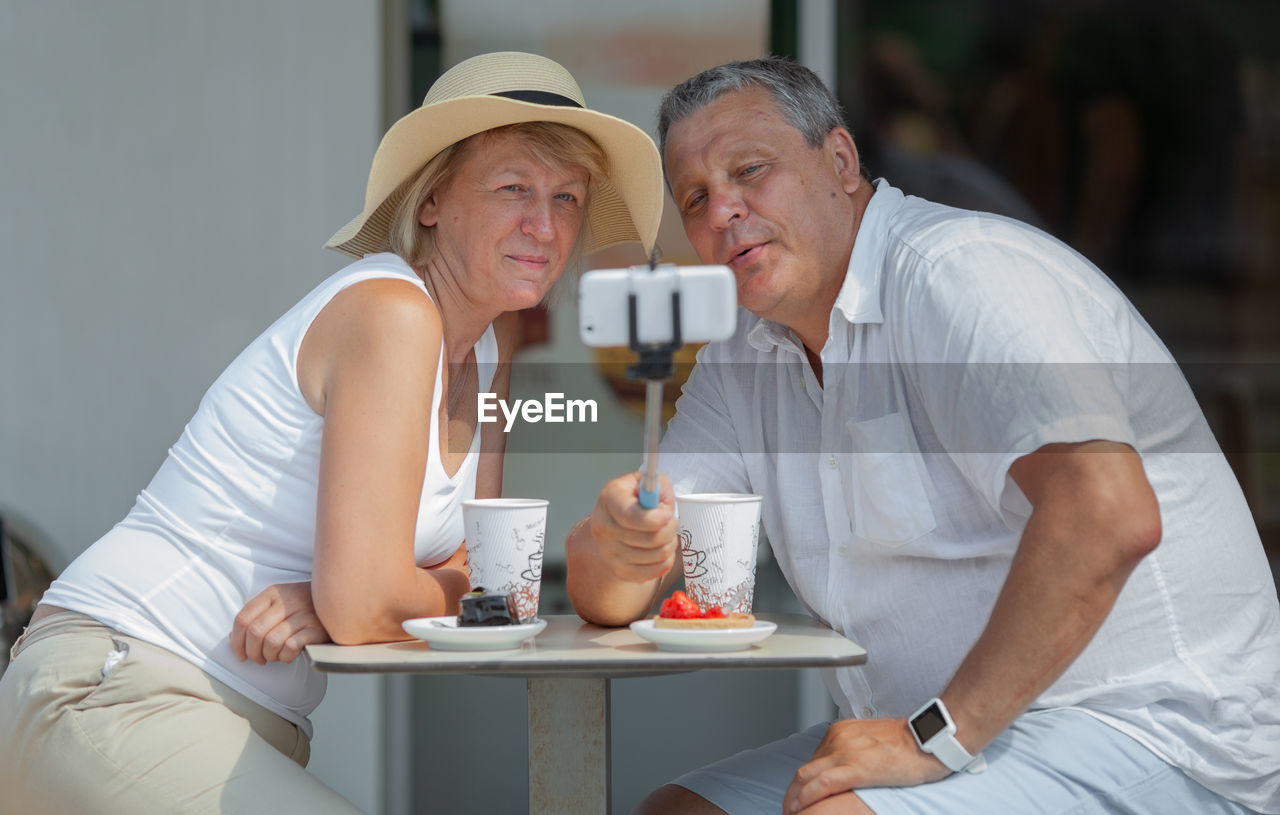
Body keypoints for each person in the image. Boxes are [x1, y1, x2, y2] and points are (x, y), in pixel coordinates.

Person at [566, 57, 1280, 815]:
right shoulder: (743, 353)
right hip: (945, 730)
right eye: (696, 197)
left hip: (1155, 733)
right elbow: (617, 582)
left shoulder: (962, 276)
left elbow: (1108, 514)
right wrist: (617, 546)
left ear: (840, 161)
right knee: (677, 812)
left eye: (751, 170)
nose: (723, 212)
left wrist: (934, 736)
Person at [0, 51, 661, 814]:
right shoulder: (393, 312)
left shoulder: (489, 345)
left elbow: (485, 573)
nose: (544, 225)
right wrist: (359, 591)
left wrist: (359, 592)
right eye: (514, 188)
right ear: (433, 200)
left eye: (567, 197)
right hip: (114, 689)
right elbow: (434, 595)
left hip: (220, 722)